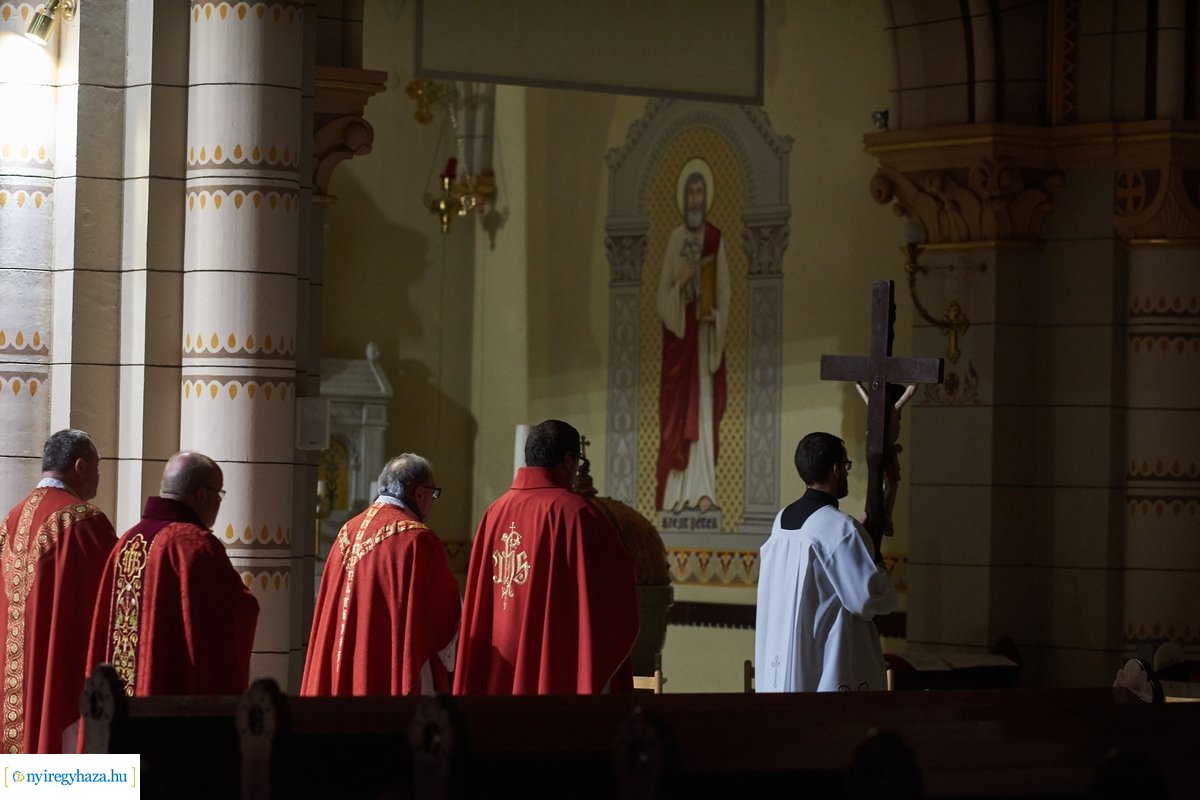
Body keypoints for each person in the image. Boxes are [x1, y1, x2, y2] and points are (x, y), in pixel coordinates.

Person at [455, 419, 639, 695]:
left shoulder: (494, 513)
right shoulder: (576, 514)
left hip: (497, 672)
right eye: (576, 461)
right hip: (551, 673)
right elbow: (616, 585)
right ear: (568, 460)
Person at [86, 451, 259, 696]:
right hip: (168, 693)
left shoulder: (127, 540)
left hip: (120, 702)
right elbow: (237, 610)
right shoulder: (193, 544)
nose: (220, 502)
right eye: (219, 494)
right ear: (201, 495)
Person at [302, 453, 460, 696]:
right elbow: (444, 615)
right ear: (419, 493)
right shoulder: (417, 539)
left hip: (344, 667)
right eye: (433, 493)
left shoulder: (348, 530)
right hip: (387, 669)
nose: (432, 501)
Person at [0, 430, 116, 753]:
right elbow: (114, 599)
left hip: (12, 686)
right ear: (81, 467)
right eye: (97, 468)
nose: (98, 479)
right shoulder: (84, 522)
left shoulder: (10, 520)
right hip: (60, 682)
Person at [755, 432, 898, 692]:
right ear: (836, 470)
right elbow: (867, 601)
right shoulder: (841, 528)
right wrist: (873, 557)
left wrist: (856, 537)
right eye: (845, 465)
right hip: (826, 663)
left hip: (785, 659)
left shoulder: (782, 520)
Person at [655, 162, 731, 513]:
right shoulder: (674, 240)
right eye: (691, 194)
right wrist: (683, 282)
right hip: (680, 344)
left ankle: (703, 491)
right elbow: (662, 297)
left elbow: (726, 292)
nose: (696, 199)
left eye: (700, 193)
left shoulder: (715, 239)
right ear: (684, 199)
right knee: (677, 414)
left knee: (703, 413)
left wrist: (714, 313)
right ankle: (676, 494)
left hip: (703, 340)